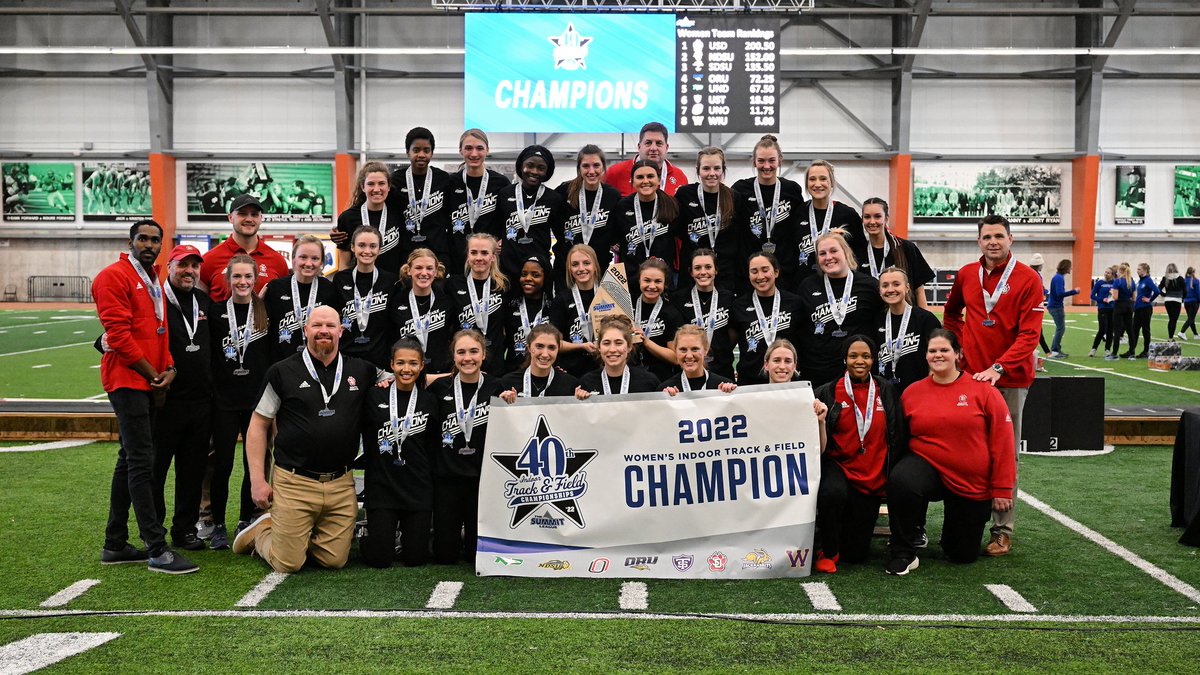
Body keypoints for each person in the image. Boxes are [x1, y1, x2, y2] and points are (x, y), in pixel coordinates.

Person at [233, 305, 378, 573]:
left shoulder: (362, 370)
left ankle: (296, 533)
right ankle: (262, 531)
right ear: (305, 330)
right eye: (317, 325)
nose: (324, 331)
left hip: (340, 484)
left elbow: (404, 377)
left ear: (341, 331)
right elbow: (258, 426)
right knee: (288, 563)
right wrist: (257, 480)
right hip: (294, 482)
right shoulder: (282, 371)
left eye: (330, 326)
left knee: (334, 561)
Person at [93, 220, 196, 574]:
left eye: (155, 240)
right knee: (141, 462)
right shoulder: (113, 277)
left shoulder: (153, 279)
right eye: (143, 239)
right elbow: (119, 337)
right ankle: (157, 548)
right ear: (130, 242)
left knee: (129, 459)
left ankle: (115, 543)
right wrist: (154, 376)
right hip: (127, 381)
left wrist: (169, 368)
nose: (149, 245)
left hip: (148, 381)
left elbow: (159, 333)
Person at [942, 214, 1043, 557]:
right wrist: (960, 350)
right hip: (971, 379)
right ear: (979, 241)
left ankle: (1002, 530)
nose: (993, 242)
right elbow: (951, 314)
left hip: (1010, 379)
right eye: (987, 237)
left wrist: (999, 367)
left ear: (1010, 239)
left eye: (999, 236)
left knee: (1005, 454)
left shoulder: (1028, 278)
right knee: (968, 451)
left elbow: (1030, 335)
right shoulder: (967, 274)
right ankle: (966, 523)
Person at [886, 329, 1015, 575]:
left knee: (961, 554)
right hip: (927, 467)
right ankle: (903, 550)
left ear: (957, 354)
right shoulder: (912, 393)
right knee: (902, 479)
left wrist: (1002, 488)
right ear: (925, 356)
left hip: (969, 480)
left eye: (944, 350)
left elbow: (1003, 441)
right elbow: (899, 440)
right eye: (932, 351)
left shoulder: (984, 390)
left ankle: (953, 537)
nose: (938, 355)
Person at [812, 335, 902, 573]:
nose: (859, 361)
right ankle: (828, 550)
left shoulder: (886, 390)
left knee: (856, 555)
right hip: (839, 466)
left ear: (873, 360)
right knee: (832, 492)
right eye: (853, 356)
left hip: (872, 473)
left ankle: (842, 540)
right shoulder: (828, 391)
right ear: (845, 359)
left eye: (866, 356)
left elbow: (897, 432)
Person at [208, 254, 272, 549]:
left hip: (257, 403)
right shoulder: (215, 312)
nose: (242, 282)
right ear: (228, 279)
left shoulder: (265, 312)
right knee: (222, 464)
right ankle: (218, 524)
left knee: (253, 464)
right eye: (237, 276)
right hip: (224, 400)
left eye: (248, 277)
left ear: (255, 280)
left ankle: (246, 519)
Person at [152, 244, 212, 553]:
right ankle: (154, 531)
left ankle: (185, 530)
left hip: (200, 403)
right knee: (156, 471)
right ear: (170, 266)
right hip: (165, 403)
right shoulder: (156, 300)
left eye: (194, 266)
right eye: (182, 265)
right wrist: (104, 340)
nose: (189, 271)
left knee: (191, 472)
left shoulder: (204, 301)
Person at [361, 338, 440, 568]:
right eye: (400, 363)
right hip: (382, 487)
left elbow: (433, 444)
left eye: (413, 363)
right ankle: (369, 537)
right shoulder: (374, 396)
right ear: (391, 365)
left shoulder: (430, 400)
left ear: (422, 365)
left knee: (415, 559)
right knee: (379, 560)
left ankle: (405, 537)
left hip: (417, 487)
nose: (407, 369)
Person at [428, 330, 506, 563]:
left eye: (474, 351)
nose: (467, 358)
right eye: (461, 352)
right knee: (445, 556)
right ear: (453, 356)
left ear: (483, 355)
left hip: (481, 481)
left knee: (476, 555)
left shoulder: (497, 387)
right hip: (447, 479)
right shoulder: (439, 388)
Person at [796, 230, 884, 387]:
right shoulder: (807, 286)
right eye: (822, 253)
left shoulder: (869, 286)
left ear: (846, 252)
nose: (828, 257)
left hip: (859, 373)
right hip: (818, 373)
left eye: (833, 251)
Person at [731, 135, 804, 290]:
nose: (766, 166)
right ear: (754, 162)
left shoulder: (792, 189)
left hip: (785, 269)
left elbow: (799, 227)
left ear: (780, 161)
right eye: (761, 161)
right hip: (751, 271)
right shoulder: (740, 189)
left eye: (771, 160)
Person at [671, 147, 746, 292]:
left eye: (717, 168)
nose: (712, 173)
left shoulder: (733, 197)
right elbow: (676, 230)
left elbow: (739, 236)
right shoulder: (685, 195)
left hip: (724, 273)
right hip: (693, 272)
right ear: (698, 170)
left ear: (723, 170)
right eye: (706, 168)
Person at [491, 145, 568, 283]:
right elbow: (496, 229)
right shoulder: (505, 194)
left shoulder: (554, 198)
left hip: (539, 271)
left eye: (541, 168)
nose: (534, 171)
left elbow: (562, 238)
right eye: (530, 165)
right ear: (521, 166)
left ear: (547, 171)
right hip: (508, 270)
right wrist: (496, 243)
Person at [199, 193, 289, 303]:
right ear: (230, 218)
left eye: (254, 214)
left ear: (261, 218)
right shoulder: (209, 260)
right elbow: (199, 305)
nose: (249, 219)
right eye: (242, 214)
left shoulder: (278, 261)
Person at [264, 235, 339, 363]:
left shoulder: (330, 289)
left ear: (322, 262)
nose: (308, 263)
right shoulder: (275, 288)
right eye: (303, 257)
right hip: (282, 362)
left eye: (315, 258)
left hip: (318, 361)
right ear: (293, 259)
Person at [732, 251, 801, 385]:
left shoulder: (795, 303)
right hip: (750, 382)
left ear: (776, 272)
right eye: (754, 271)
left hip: (787, 380)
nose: (760, 276)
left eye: (765, 270)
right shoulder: (738, 306)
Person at [447, 129, 511, 272]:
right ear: (460, 150)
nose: (474, 154)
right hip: (459, 259)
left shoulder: (501, 182)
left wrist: (504, 240)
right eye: (468, 148)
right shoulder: (450, 182)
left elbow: (509, 219)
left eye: (480, 148)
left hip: (490, 261)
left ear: (487, 150)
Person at [610, 159, 680, 290]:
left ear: (658, 180)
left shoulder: (672, 205)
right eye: (640, 177)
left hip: (662, 280)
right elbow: (616, 240)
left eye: (650, 176)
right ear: (632, 181)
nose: (645, 181)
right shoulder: (622, 207)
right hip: (631, 281)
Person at [333, 226, 396, 370]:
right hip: (346, 359)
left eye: (372, 246)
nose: (367, 251)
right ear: (352, 247)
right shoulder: (340, 279)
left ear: (379, 249)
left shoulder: (390, 280)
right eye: (361, 245)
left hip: (380, 362)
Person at [555, 145, 621, 281]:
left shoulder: (612, 195)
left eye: (596, 165)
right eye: (586, 166)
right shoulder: (563, 192)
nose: (591, 171)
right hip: (567, 269)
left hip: (601, 269)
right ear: (579, 168)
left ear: (603, 167)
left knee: (607, 296)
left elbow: (618, 229)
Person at [853, 197, 934, 308]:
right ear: (862, 220)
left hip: (905, 315)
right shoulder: (857, 253)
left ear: (886, 218)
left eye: (877, 216)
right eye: (867, 217)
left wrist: (925, 317)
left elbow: (919, 290)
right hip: (872, 316)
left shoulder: (906, 248)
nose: (872, 221)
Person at [388, 248, 455, 380]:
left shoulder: (446, 301)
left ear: (435, 271)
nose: (424, 273)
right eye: (418, 268)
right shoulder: (396, 302)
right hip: (407, 375)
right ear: (409, 270)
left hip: (440, 375)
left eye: (429, 268)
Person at [447, 233, 509, 374]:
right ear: (467, 256)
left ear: (493, 257)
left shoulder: (504, 286)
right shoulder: (453, 285)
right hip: (464, 363)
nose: (479, 258)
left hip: (495, 366)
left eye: (484, 253)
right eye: (474, 252)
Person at [392, 127, 453, 268]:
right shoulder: (396, 179)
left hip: (438, 251)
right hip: (406, 252)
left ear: (432, 152)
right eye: (416, 150)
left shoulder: (443, 178)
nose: (421, 155)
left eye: (426, 150)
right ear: (407, 152)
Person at [672, 249, 736, 380]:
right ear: (691, 272)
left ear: (716, 270)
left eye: (708, 267)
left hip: (722, 370)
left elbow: (733, 334)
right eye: (697, 268)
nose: (703, 272)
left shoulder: (728, 298)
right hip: (690, 371)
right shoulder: (678, 299)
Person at [875, 267, 941, 392]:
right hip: (886, 394)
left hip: (919, 392)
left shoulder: (926, 319)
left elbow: (938, 357)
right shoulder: (876, 321)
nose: (890, 289)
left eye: (896, 284)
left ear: (907, 288)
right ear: (880, 290)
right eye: (885, 285)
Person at [332, 161, 401, 273]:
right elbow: (344, 262)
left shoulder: (398, 213)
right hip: (359, 282)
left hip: (393, 281)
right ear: (362, 187)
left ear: (388, 186)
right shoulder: (347, 218)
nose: (376, 189)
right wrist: (342, 282)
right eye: (371, 184)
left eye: (381, 183)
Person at [799, 160, 863, 281]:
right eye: (812, 179)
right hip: (805, 284)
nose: (817, 184)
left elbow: (860, 252)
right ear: (807, 184)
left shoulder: (848, 214)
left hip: (841, 283)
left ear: (832, 183)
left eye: (823, 179)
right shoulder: (797, 213)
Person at [576, 315, 662, 397]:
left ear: (629, 347)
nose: (612, 349)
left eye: (618, 343)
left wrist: (668, 396)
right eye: (606, 343)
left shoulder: (648, 382)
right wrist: (580, 401)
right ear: (599, 347)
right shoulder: (587, 383)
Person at [550, 244, 602, 378]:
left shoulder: (609, 295)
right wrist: (582, 346)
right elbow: (555, 343)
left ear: (595, 266)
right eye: (575, 264)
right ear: (569, 269)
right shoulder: (561, 300)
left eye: (586, 263)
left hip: (604, 369)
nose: (581, 268)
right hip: (571, 371)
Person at [631, 257, 685, 381]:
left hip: (661, 379)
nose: (652, 286)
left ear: (665, 283)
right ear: (639, 280)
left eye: (658, 281)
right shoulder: (627, 307)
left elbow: (676, 358)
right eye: (647, 280)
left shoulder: (672, 313)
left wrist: (646, 342)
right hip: (630, 377)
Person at [603, 121, 688, 197]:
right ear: (639, 146)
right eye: (648, 143)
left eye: (659, 143)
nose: (653, 148)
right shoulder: (615, 173)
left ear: (666, 147)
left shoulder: (679, 176)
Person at [499, 324, 580, 401]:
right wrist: (503, 402)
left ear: (558, 350)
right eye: (539, 346)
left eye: (551, 347)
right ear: (529, 348)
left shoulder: (570, 384)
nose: (545, 354)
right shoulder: (508, 382)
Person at [502, 255, 553, 373]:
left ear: (545, 278)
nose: (528, 278)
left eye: (535, 275)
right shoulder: (510, 306)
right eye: (524, 274)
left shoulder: (552, 307)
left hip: (545, 371)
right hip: (513, 372)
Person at [660, 325, 737, 394]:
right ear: (675, 351)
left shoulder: (723, 386)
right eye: (683, 349)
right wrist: (666, 401)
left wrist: (729, 395)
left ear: (706, 350)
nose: (689, 356)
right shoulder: (665, 389)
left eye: (695, 349)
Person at [1046, 259, 1081, 358]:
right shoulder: (1059, 278)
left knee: (1060, 328)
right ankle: (1055, 350)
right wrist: (1074, 291)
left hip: (1054, 305)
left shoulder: (1058, 277)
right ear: (1066, 267)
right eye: (1070, 267)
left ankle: (1056, 349)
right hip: (1056, 306)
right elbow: (1059, 293)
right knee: (1060, 328)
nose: (1071, 268)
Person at [1129, 262, 1160, 359]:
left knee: (1145, 330)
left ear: (1145, 270)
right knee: (1135, 329)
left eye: (1139, 269)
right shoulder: (1141, 281)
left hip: (1145, 309)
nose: (1137, 271)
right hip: (1138, 309)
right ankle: (1131, 350)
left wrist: (1150, 299)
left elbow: (1157, 291)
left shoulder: (1148, 280)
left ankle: (1146, 351)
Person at [1109, 262, 1136, 360]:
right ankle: (1132, 352)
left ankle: (1114, 353)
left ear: (1120, 271)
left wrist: (1112, 292)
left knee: (1117, 330)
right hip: (1129, 306)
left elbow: (1115, 297)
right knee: (1130, 330)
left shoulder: (1118, 281)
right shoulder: (1131, 281)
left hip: (1119, 306)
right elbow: (1134, 298)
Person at [1088, 266, 1115, 358]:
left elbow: (1117, 295)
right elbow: (1092, 295)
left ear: (1112, 275)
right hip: (1102, 308)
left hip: (1112, 309)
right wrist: (1101, 300)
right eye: (1105, 272)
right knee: (1102, 329)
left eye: (1108, 273)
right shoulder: (1100, 283)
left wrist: (1113, 297)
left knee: (1110, 330)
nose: (1106, 274)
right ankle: (1094, 349)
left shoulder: (1115, 283)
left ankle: (1107, 350)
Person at [1160, 263, 1186, 341]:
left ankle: (1170, 337)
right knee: (1173, 320)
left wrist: (1164, 294)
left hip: (1167, 301)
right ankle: (1170, 338)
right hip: (1177, 301)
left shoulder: (1165, 278)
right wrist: (1182, 299)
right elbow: (1185, 291)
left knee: (1171, 319)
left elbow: (1158, 289)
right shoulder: (1180, 278)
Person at [1181, 266, 1200, 340]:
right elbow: (1198, 292)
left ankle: (1195, 334)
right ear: (1194, 272)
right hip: (1194, 302)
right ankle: (1182, 332)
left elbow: (1182, 292)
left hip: (1186, 302)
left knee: (1191, 319)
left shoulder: (1184, 281)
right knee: (1191, 318)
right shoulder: (1196, 281)